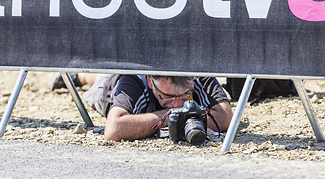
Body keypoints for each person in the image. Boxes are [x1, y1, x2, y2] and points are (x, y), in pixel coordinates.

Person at [52, 73, 233, 141]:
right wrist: (169, 116)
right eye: (168, 96)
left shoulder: (197, 75)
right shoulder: (133, 81)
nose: (178, 104)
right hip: (108, 88)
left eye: (185, 95)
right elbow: (114, 130)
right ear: (150, 81)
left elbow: (225, 118)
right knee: (99, 80)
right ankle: (81, 76)